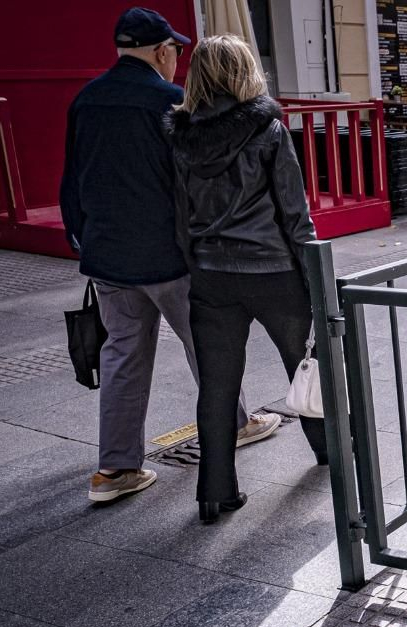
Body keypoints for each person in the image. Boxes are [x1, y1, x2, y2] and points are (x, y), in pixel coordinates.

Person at [61, 6, 277, 505]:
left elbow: (72, 179)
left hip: (108, 255)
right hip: (171, 255)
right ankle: (237, 424)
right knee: (207, 346)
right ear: (161, 51)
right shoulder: (172, 102)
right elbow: (196, 182)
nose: (175, 59)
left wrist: (82, 237)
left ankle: (114, 470)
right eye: (174, 51)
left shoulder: (86, 100)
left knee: (121, 357)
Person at [165, 35, 325, 525]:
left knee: (216, 386)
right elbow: (296, 217)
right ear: (244, 72)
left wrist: (198, 267)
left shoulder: (181, 137)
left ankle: (215, 493)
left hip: (212, 276)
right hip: (274, 271)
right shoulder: (269, 131)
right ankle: (332, 457)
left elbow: (180, 216)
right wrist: (317, 281)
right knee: (307, 367)